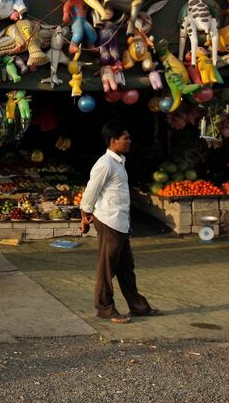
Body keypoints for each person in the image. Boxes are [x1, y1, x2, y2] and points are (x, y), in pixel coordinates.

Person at [80, 121, 160, 324]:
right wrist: (85, 215)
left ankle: (138, 306)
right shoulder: (105, 164)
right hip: (109, 221)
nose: (130, 142)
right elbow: (90, 192)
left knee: (126, 267)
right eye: (126, 138)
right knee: (107, 268)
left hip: (121, 222)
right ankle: (104, 308)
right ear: (113, 141)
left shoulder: (119, 162)